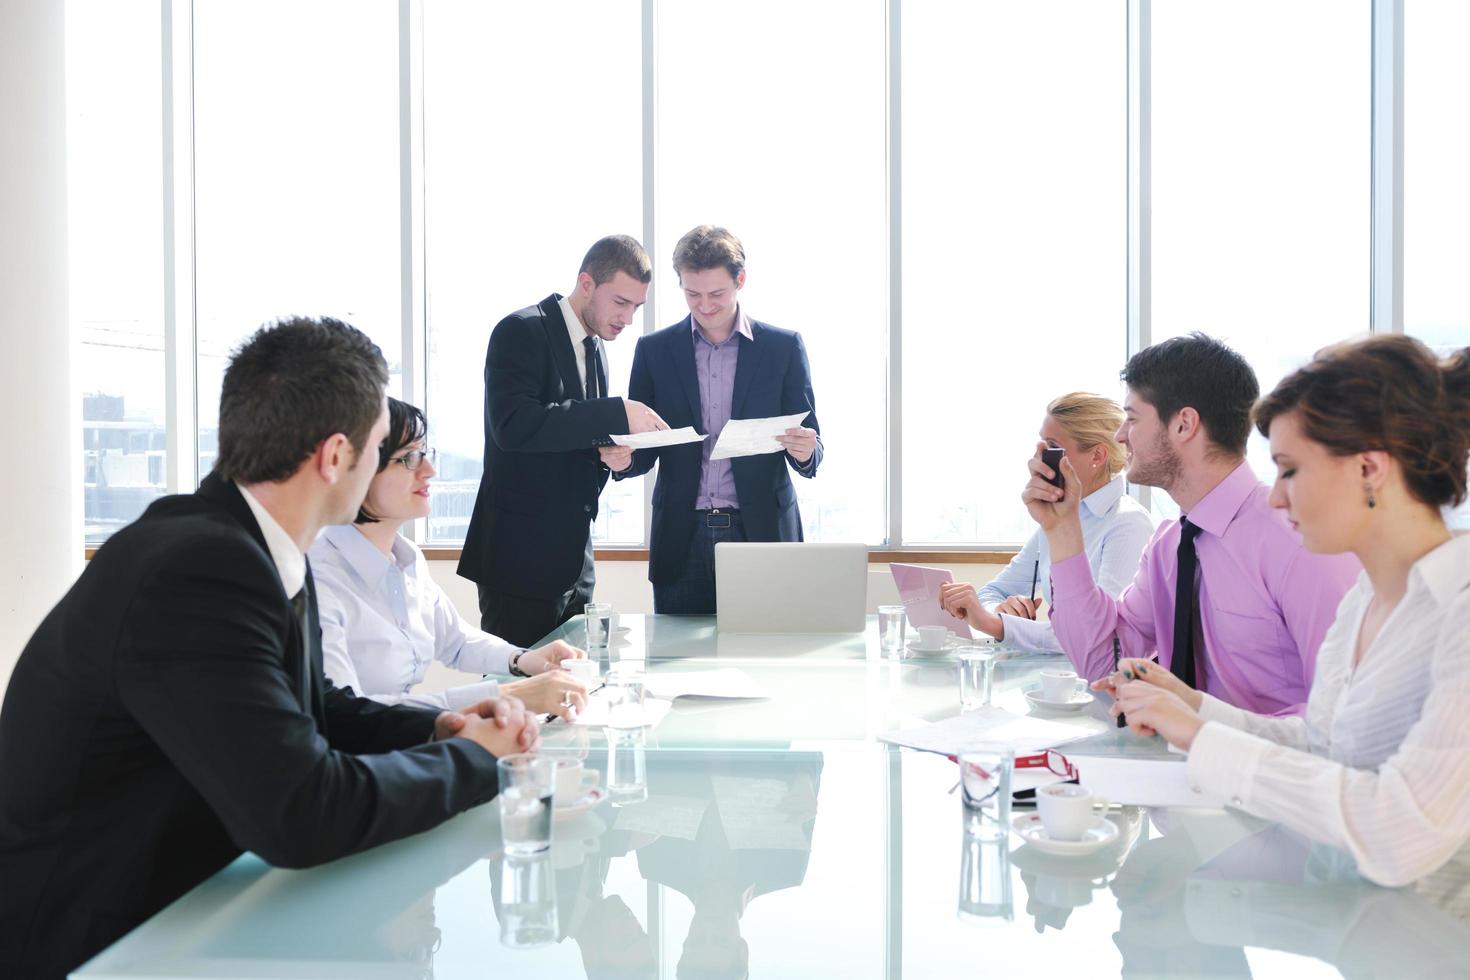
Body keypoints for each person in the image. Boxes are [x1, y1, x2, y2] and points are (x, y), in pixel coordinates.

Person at [0, 317, 540, 979]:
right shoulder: (199, 568)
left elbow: (318, 709)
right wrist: (472, 762)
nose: (384, 465)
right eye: (379, 449)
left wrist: (436, 728)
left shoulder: (244, 544)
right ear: (335, 456)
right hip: (99, 944)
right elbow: (300, 813)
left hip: (188, 910)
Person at [1101, 335, 1470, 887]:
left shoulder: (1458, 612)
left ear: (1369, 469)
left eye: (1290, 470)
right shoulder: (1364, 602)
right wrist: (1192, 707)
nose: (1275, 498)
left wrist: (1203, 737)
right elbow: (1323, 747)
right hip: (1356, 919)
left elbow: (1400, 831)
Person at [1025, 333, 1360, 714]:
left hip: (1268, 770)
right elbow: (1103, 663)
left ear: (1184, 424)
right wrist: (1062, 529)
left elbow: (1347, 716)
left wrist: (1201, 721)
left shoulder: (1299, 540)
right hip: (1179, 764)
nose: (1120, 435)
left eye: (1131, 419)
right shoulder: (1169, 546)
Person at [311, 398, 590, 719]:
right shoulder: (320, 580)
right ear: (355, 469)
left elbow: (455, 640)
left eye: (425, 454)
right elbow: (348, 716)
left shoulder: (405, 556)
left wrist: (523, 659)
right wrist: (505, 695)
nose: (430, 471)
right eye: (408, 459)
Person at [457, 235, 669, 646]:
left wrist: (613, 453)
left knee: (572, 697)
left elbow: (574, 438)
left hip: (575, 565)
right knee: (518, 698)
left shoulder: (597, 349)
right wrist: (615, 411)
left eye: (636, 307)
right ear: (586, 283)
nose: (627, 318)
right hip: (518, 564)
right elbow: (514, 426)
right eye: (620, 302)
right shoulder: (521, 330)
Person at [609, 225, 822, 613]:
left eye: (716, 294)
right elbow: (642, 449)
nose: (705, 305)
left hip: (760, 535)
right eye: (693, 294)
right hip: (681, 535)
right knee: (676, 666)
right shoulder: (654, 351)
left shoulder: (783, 348)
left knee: (763, 660)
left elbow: (812, 448)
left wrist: (807, 450)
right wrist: (623, 461)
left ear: (740, 280)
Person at [939, 393, 1155, 653]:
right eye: (1039, 446)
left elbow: (1101, 635)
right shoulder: (1059, 517)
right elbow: (994, 590)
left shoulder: (1128, 525)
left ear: (1097, 456)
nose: (1036, 459)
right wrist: (1000, 610)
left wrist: (996, 625)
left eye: (1050, 447)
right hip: (1059, 679)